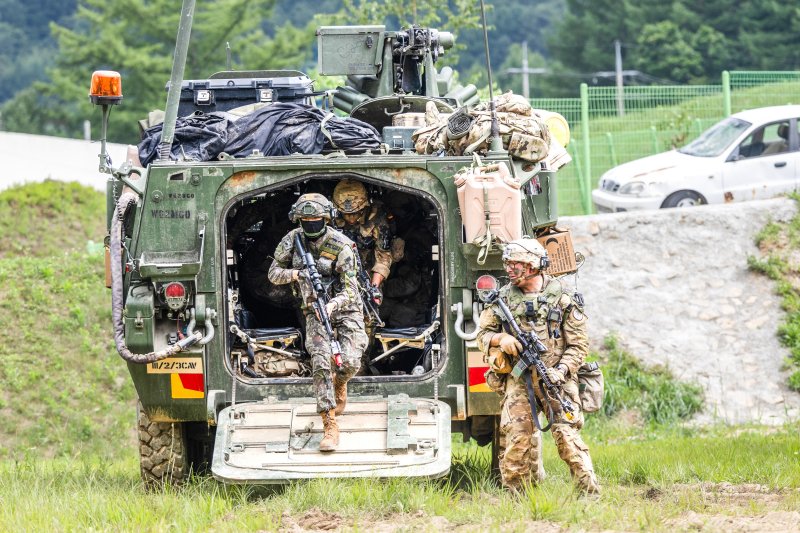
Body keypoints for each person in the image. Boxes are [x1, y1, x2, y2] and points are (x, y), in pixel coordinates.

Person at [476, 238, 600, 494]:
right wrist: (501, 338)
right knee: (518, 439)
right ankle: (515, 498)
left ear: (533, 266)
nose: (509, 269)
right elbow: (482, 335)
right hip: (519, 379)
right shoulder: (502, 300)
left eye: (516, 264)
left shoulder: (563, 299)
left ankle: (589, 494)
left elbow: (579, 346)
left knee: (567, 437)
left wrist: (562, 370)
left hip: (557, 380)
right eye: (508, 264)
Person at [267, 193, 367, 451]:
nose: (311, 224)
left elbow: (351, 290)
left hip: (345, 307)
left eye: (317, 220)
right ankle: (329, 423)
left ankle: (341, 382)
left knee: (350, 361)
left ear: (327, 219)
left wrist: (334, 304)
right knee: (321, 361)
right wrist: (297, 274)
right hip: (313, 308)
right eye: (306, 220)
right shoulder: (292, 240)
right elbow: (273, 274)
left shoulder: (341, 245)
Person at [332, 179, 403, 302]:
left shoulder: (377, 220)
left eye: (356, 213)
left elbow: (383, 257)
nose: (351, 218)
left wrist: (374, 286)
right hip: (336, 269)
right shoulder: (330, 219)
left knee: (369, 305)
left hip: (367, 267)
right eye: (346, 214)